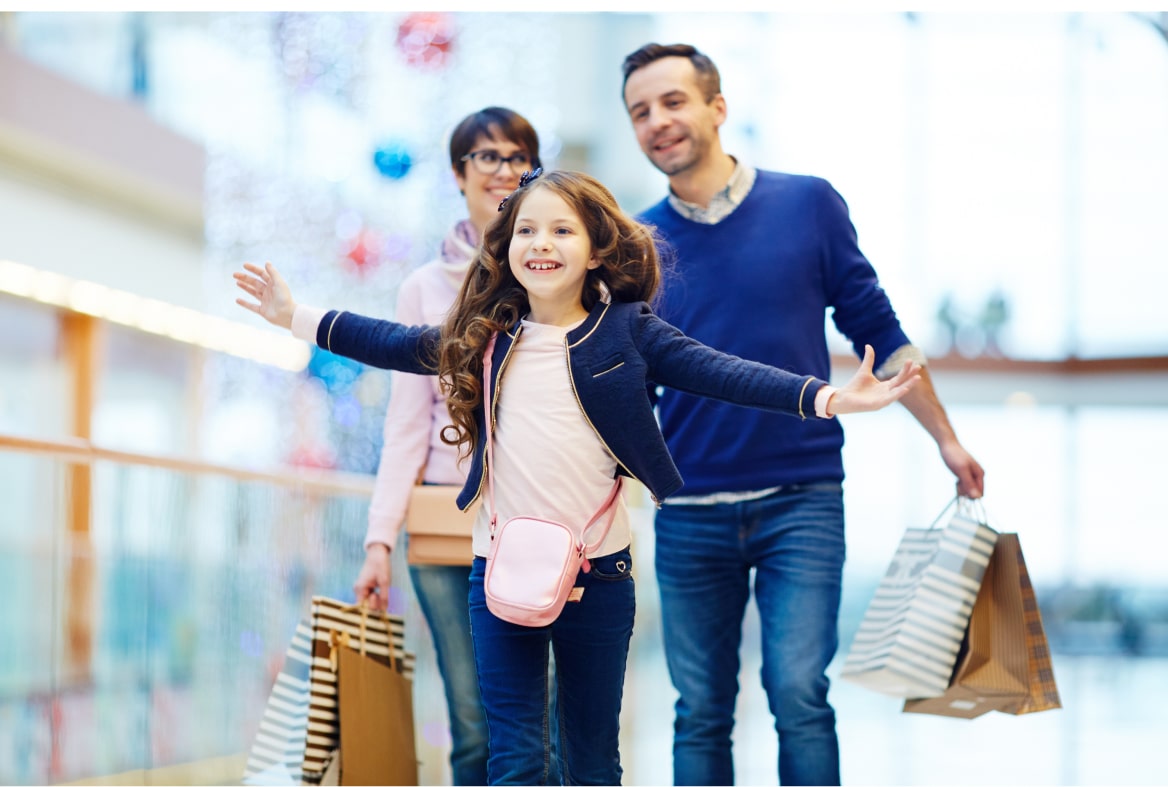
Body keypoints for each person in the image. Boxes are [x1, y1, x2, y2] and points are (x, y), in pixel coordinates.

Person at [234, 169, 922, 785]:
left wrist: (829, 396)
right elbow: (390, 341)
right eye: (526, 228)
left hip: (600, 574)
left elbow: (723, 372)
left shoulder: (628, 331)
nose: (542, 241)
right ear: (505, 248)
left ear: (595, 249)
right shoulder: (484, 335)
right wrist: (294, 315)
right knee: (516, 759)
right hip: (495, 568)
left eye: (562, 229)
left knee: (592, 759)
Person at [619, 43, 987, 786]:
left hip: (802, 500)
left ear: (718, 108)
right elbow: (626, 386)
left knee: (799, 694)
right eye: (640, 111)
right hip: (690, 510)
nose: (658, 121)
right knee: (701, 709)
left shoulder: (807, 204)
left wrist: (946, 438)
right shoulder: (634, 246)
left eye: (673, 101)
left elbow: (880, 333)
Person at [349, 107, 541, 786]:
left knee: (534, 720)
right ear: (460, 173)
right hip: (444, 526)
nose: (506, 171)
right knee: (472, 721)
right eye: (489, 157)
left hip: (535, 523)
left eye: (520, 158)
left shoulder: (550, 276)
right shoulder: (424, 287)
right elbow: (406, 423)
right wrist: (379, 540)